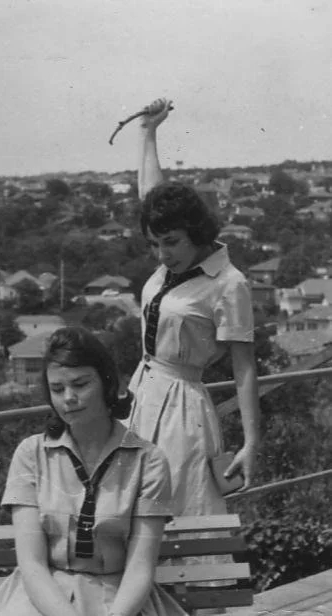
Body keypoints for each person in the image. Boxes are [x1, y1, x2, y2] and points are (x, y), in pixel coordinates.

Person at [0, 326, 187, 616]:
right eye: (57, 389)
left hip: (122, 601)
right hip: (42, 599)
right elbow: (32, 564)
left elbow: (140, 567)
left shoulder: (148, 462)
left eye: (80, 384)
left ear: (106, 383)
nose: (69, 398)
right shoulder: (31, 455)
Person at [127, 98, 261, 523]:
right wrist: (149, 133)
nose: (162, 254)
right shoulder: (172, 263)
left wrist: (251, 443)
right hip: (141, 396)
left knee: (179, 513)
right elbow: (151, 196)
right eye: (154, 244)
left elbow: (244, 367)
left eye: (171, 242)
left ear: (197, 233)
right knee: (134, 511)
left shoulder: (229, 283)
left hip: (183, 413)